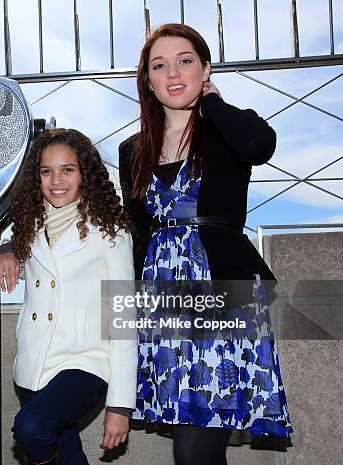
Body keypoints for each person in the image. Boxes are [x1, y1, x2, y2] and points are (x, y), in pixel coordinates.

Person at [118, 23, 293, 465]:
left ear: (205, 69)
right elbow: (137, 231)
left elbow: (259, 144)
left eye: (185, 61)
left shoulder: (228, 130)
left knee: (195, 446)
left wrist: (212, 102)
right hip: (161, 300)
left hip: (221, 295)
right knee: (196, 442)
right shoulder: (132, 150)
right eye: (160, 65)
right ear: (148, 81)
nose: (173, 72)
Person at [0, 128, 138, 465]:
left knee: (31, 427)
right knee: (67, 453)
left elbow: (123, 320)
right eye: (46, 171)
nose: (56, 179)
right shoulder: (29, 224)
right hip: (34, 364)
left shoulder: (111, 232)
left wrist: (120, 405)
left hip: (86, 363)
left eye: (67, 169)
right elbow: (7, 232)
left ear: (84, 174)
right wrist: (6, 249)